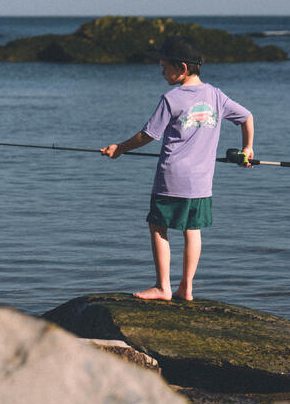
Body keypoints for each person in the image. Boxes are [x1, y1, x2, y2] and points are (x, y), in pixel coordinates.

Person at [100, 36, 254, 301]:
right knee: (192, 230)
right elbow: (246, 116)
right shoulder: (216, 96)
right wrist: (248, 147)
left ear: (182, 68)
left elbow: (148, 134)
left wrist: (120, 148)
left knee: (158, 227)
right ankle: (187, 287)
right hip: (202, 183)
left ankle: (163, 287)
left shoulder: (172, 98)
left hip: (171, 178)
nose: (161, 72)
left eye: (164, 67)